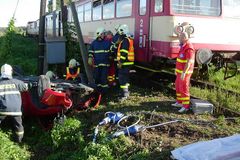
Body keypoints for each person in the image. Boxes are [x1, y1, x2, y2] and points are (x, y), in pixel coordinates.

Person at [0, 64, 28, 142]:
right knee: (18, 125)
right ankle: (19, 140)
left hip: (2, 110)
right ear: (11, 72)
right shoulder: (17, 82)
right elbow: (26, 87)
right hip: (16, 110)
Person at [172, 31, 195, 113]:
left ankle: (186, 106)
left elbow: (189, 62)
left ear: (185, 38)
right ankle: (180, 102)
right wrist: (176, 70)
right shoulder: (183, 46)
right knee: (178, 86)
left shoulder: (189, 48)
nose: (179, 39)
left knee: (184, 88)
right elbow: (179, 59)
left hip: (184, 73)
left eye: (180, 37)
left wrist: (184, 72)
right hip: (179, 72)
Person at [88, 27, 111, 94]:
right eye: (103, 34)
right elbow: (91, 52)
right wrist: (90, 58)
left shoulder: (107, 42)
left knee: (103, 79)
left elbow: (111, 52)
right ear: (100, 34)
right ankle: (98, 92)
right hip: (97, 65)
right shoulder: (94, 43)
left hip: (105, 64)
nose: (104, 35)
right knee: (97, 78)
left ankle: (104, 93)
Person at [116, 24, 134, 101]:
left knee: (122, 78)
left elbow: (124, 52)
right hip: (128, 62)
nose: (119, 34)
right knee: (126, 78)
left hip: (125, 63)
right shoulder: (128, 39)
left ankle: (124, 95)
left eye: (119, 32)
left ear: (122, 31)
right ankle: (126, 93)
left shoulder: (125, 40)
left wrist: (120, 62)